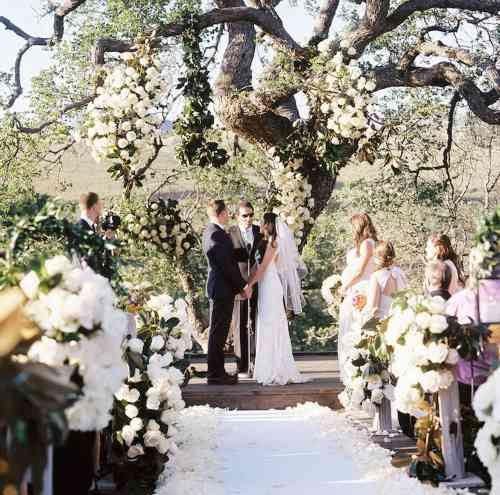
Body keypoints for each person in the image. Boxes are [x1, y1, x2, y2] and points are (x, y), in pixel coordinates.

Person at [247, 213, 308, 386]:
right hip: (268, 286)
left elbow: (263, 269)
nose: (260, 225)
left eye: (262, 222)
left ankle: (274, 369)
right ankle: (269, 367)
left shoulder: (273, 244)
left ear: (269, 225)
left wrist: (249, 285)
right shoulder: (268, 243)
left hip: (270, 286)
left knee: (271, 324)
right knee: (268, 323)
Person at [202, 200, 252, 385]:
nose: (229, 216)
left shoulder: (211, 231)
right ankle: (215, 374)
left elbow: (227, 255)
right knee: (218, 333)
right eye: (227, 213)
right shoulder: (216, 234)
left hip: (220, 288)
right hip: (222, 289)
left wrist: (246, 252)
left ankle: (217, 371)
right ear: (222, 213)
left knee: (219, 332)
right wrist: (243, 286)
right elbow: (226, 266)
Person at [338, 213, 378, 384]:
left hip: (362, 289)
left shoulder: (368, 243)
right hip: (355, 289)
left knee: (356, 328)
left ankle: (358, 371)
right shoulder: (362, 244)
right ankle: (350, 371)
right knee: (348, 327)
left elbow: (360, 271)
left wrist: (345, 286)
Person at [228, 200, 263, 377]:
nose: (249, 219)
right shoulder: (230, 233)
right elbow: (228, 263)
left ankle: (257, 362)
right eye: (245, 215)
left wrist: (253, 282)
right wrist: (240, 285)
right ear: (237, 216)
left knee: (257, 322)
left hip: (258, 284)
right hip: (238, 286)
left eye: (251, 215)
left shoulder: (260, 232)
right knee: (240, 325)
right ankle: (241, 366)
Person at [365, 241, 408, 320]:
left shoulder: (377, 276)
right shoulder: (400, 273)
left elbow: (373, 308)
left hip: (384, 324)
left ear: (377, 258)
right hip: (401, 320)